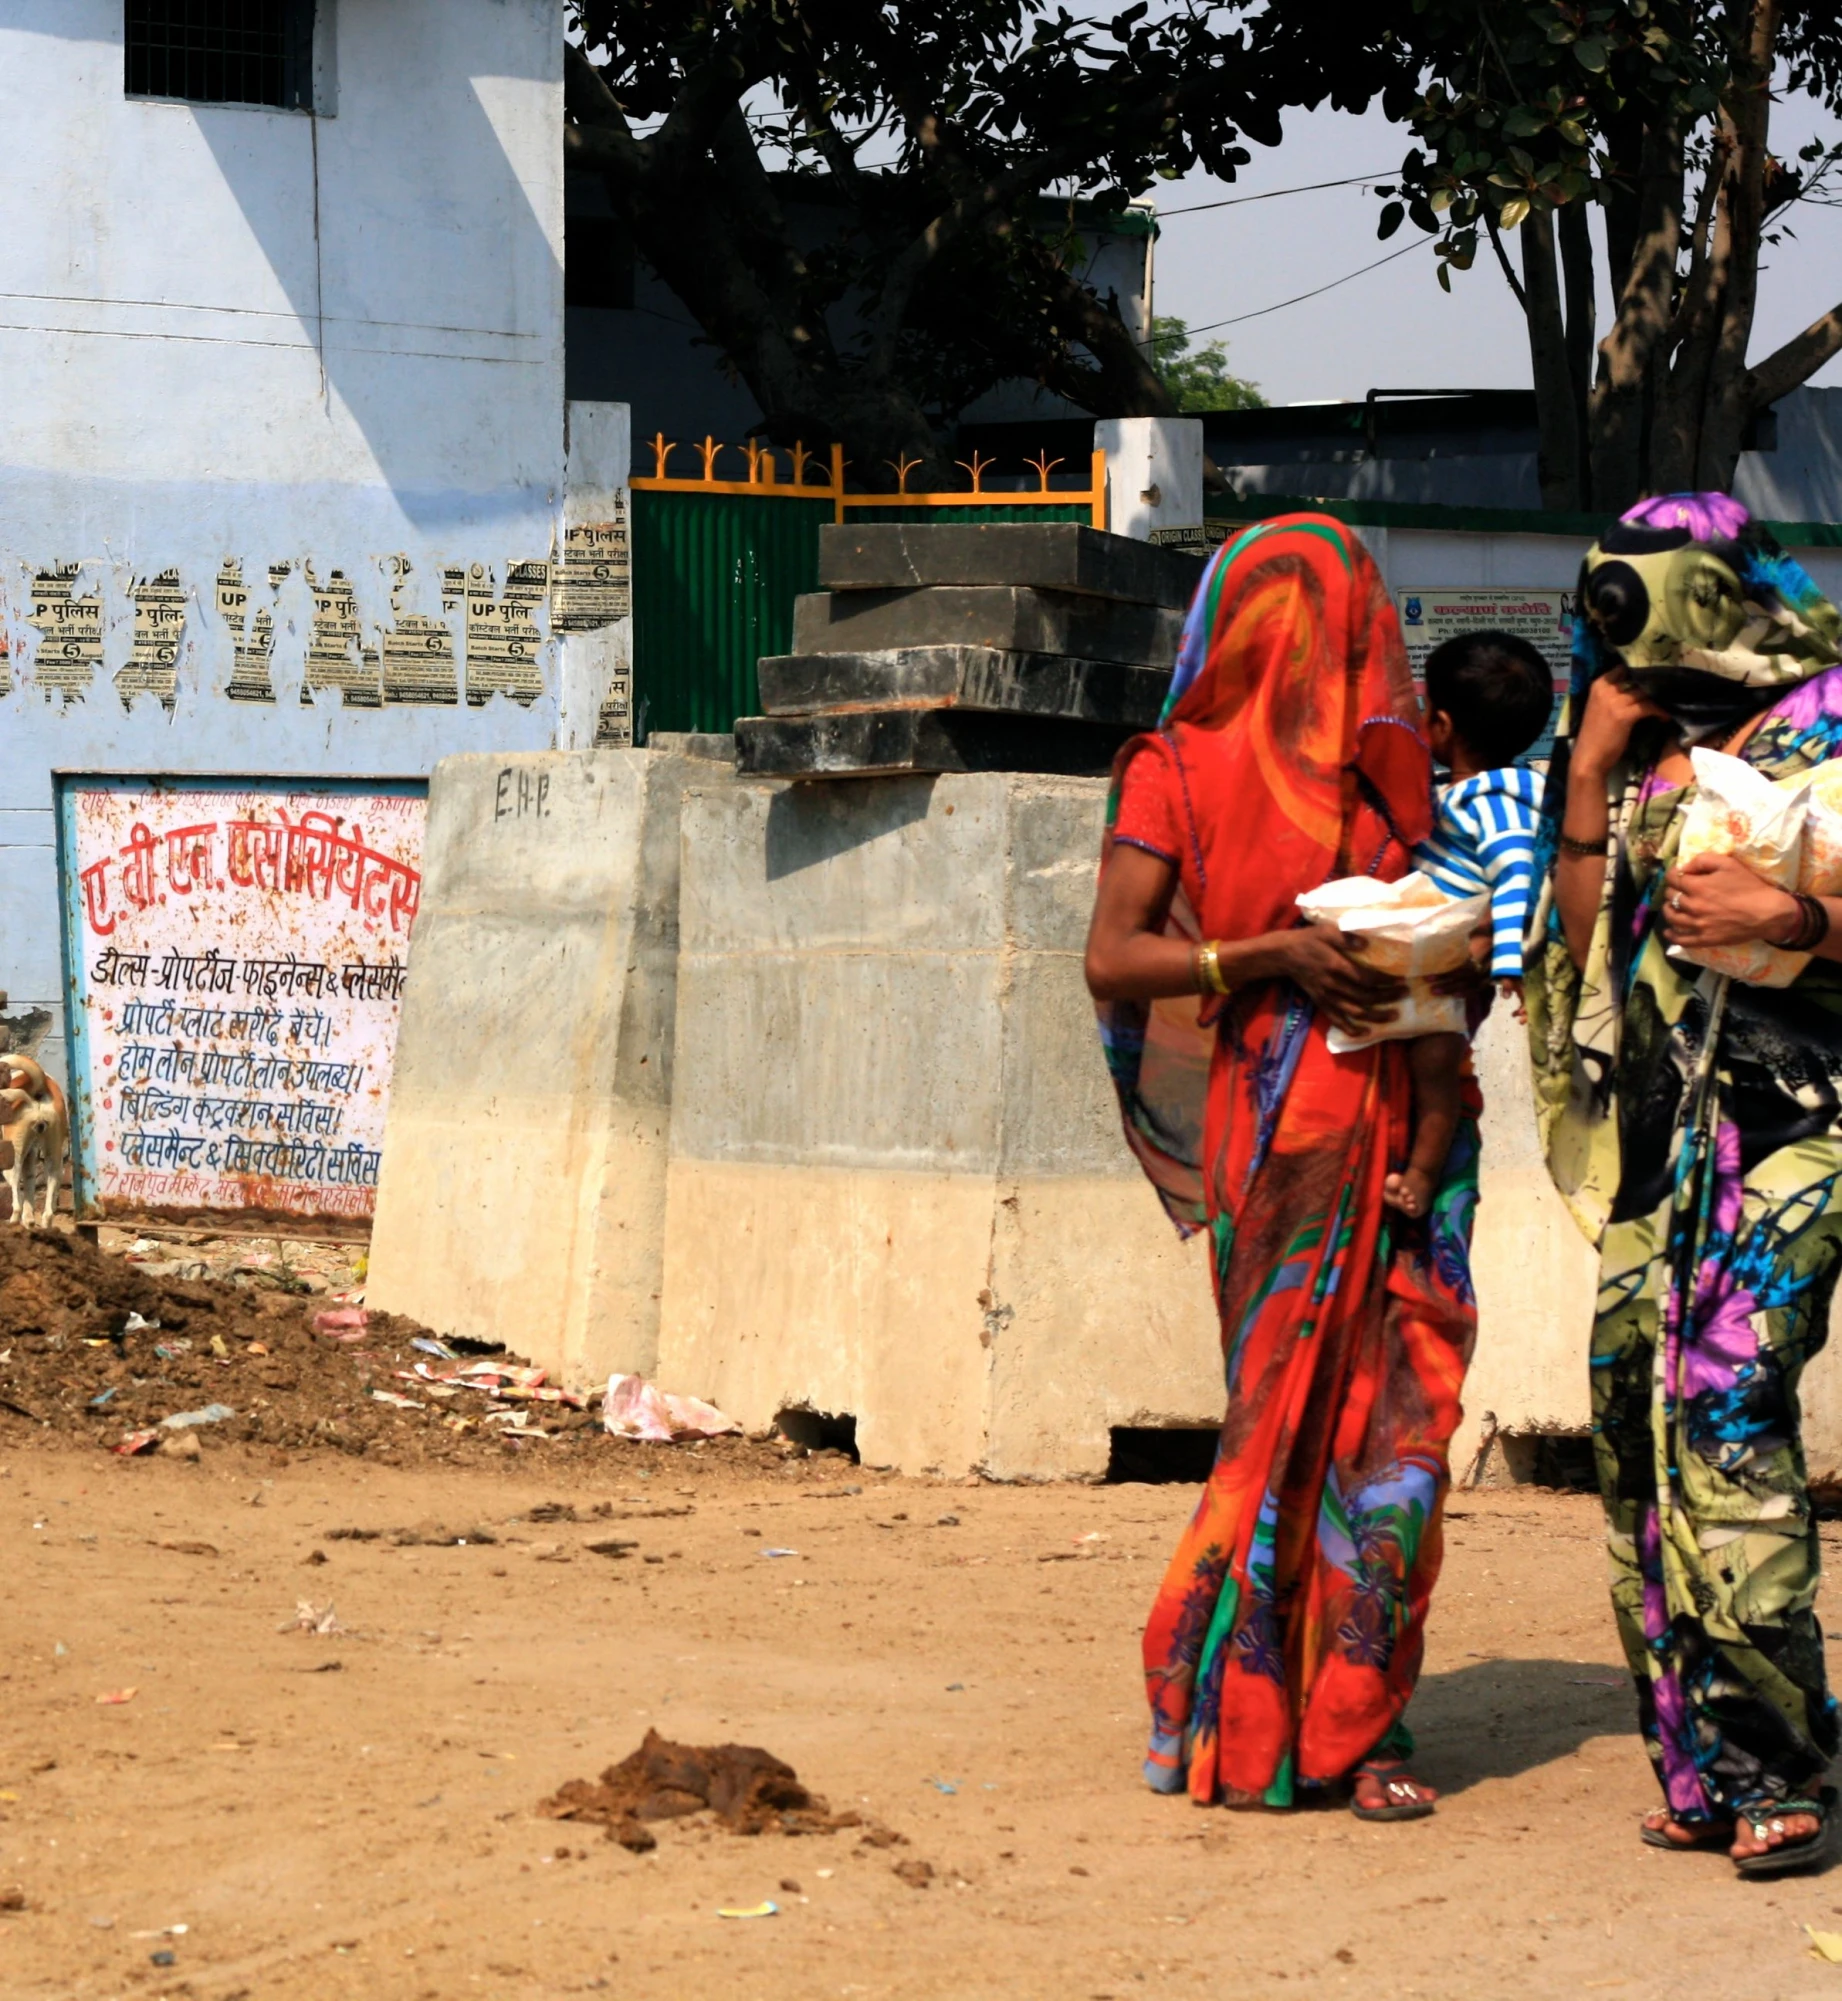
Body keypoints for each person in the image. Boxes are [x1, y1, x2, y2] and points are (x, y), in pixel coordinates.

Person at [1084, 513, 1481, 1822]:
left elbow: (1432, 955)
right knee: (1300, 1428)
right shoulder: (1173, 767)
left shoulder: (1379, 772)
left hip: (1385, 1128)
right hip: (1285, 1136)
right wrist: (1264, 955)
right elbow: (1114, 955)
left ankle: (1349, 1723)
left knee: (1383, 1431)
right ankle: (1270, 1717)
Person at [1526, 492, 1842, 1876]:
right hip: (1665, 1143)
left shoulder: (1829, 720)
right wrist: (1592, 774)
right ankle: (1699, 1757)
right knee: (1630, 1430)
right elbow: (1577, 952)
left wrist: (1798, 917)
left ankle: (1784, 1763)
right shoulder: (1642, 741)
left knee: (1721, 1410)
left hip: (1793, 1130)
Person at [1386, 631, 1554, 1218]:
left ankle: (1423, 1174)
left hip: (1443, 970)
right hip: (1417, 961)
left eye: (1424, 706)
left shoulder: (1499, 802)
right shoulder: (1458, 793)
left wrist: (1509, 962)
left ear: (1443, 726)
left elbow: (1519, 877)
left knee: (1436, 1067)